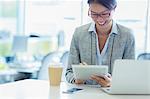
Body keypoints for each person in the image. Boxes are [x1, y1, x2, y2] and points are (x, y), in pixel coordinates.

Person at [65, 0, 135, 87]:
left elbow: (130, 76)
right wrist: (77, 79)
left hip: (112, 94)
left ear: (114, 9)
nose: (99, 19)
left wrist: (113, 83)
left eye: (105, 14)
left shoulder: (127, 35)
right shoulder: (79, 33)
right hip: (84, 93)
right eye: (94, 14)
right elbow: (69, 72)